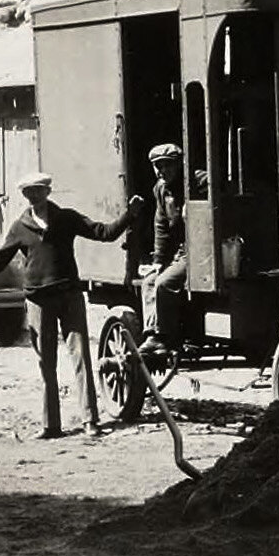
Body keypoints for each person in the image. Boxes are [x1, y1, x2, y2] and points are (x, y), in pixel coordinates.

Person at [0, 170, 122, 441]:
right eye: (29, 191)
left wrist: (129, 216)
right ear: (24, 195)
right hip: (38, 301)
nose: (34, 195)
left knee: (81, 357)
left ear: (48, 192)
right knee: (47, 363)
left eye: (38, 190)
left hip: (69, 296)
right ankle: (51, 426)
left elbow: (104, 233)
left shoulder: (67, 218)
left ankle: (90, 420)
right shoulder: (19, 227)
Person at [119, 141, 192, 425]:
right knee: (150, 279)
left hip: (200, 251)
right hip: (180, 252)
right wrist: (159, 260)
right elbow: (161, 228)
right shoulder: (161, 190)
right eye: (158, 166)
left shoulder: (198, 182)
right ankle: (152, 335)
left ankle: (162, 336)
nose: (163, 170)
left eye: (168, 165)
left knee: (163, 284)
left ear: (179, 164)